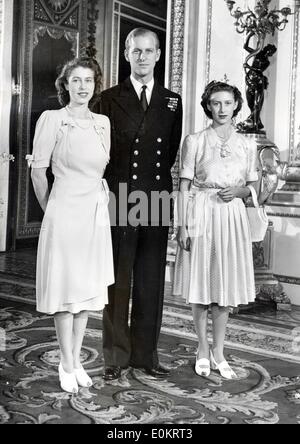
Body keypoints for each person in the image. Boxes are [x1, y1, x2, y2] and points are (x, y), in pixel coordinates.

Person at [98, 28, 183, 380]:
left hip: (156, 195)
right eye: (137, 51)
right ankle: (116, 357)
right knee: (118, 280)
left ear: (159, 54)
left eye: (150, 51)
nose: (143, 57)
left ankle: (146, 355)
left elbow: (170, 152)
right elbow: (103, 152)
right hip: (121, 195)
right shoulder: (108, 98)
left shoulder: (171, 101)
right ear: (127, 54)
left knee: (150, 279)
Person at [27, 57, 114, 393]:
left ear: (95, 85)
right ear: (65, 85)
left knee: (86, 291)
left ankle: (76, 360)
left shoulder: (103, 122)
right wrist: (52, 208)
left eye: (88, 81)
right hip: (64, 210)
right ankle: (66, 361)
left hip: (94, 212)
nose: (82, 87)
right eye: (76, 80)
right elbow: (38, 171)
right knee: (66, 291)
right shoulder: (53, 119)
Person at [173, 81, 258, 379]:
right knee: (201, 285)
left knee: (224, 286)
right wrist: (181, 225)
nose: (221, 109)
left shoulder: (247, 144)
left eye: (227, 103)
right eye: (215, 103)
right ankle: (202, 348)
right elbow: (183, 186)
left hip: (231, 217)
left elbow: (252, 187)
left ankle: (219, 350)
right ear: (207, 106)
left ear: (236, 105)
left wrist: (238, 191)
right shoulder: (194, 140)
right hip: (201, 212)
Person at [238, 31, 277, 133]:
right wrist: (250, 36)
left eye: (271, 53)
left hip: (259, 82)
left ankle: (253, 124)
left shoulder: (266, 62)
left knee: (257, 104)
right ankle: (256, 123)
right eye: (270, 52)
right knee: (250, 103)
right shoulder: (257, 53)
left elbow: (259, 70)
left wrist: (248, 67)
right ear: (267, 49)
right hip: (250, 80)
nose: (270, 54)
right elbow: (245, 47)